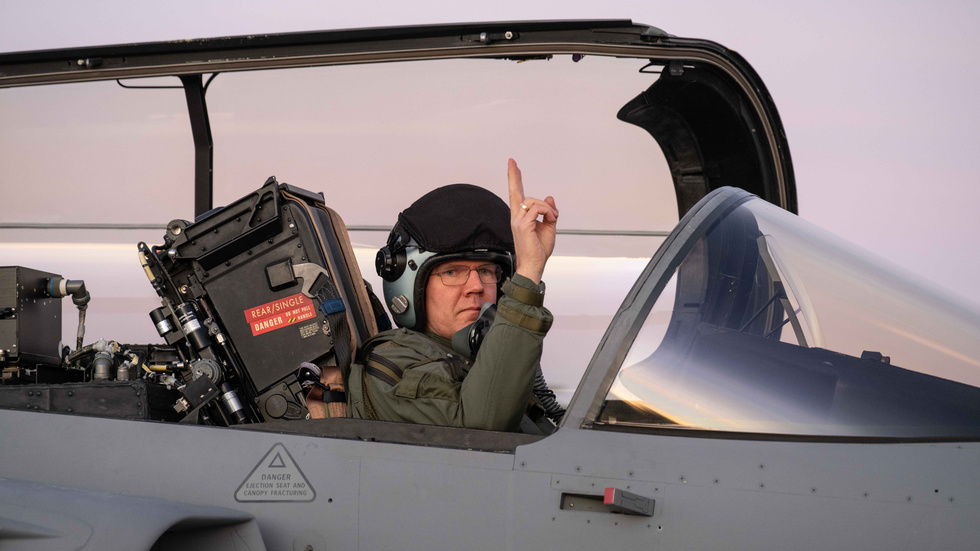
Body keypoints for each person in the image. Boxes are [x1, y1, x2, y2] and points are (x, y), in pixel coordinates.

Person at [347, 159, 559, 431]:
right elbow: (477, 429)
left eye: (486, 271)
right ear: (411, 287)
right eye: (452, 272)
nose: (476, 286)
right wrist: (528, 273)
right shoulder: (393, 367)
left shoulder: (479, 358)